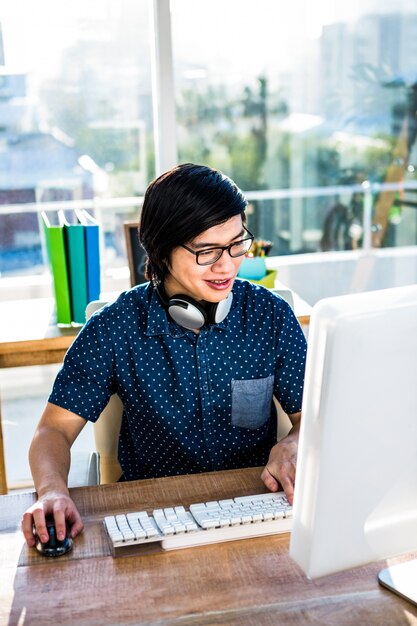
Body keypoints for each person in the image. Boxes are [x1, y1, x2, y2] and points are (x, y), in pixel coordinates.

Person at [22, 163, 307, 548]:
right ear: (161, 247)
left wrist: (292, 443)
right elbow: (52, 431)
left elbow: (312, 420)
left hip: (256, 511)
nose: (227, 265)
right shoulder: (114, 327)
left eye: (238, 244)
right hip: (152, 518)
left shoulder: (270, 316)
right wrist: (52, 490)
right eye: (206, 251)